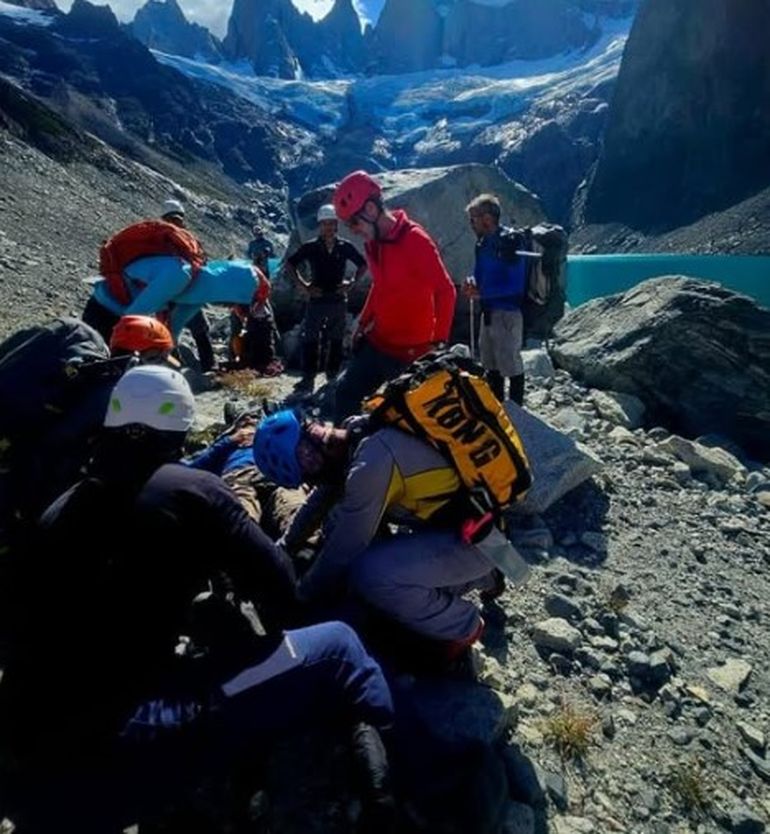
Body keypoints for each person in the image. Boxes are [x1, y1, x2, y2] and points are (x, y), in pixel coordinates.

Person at [0, 366, 395, 832]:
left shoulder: (61, 505)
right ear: (181, 426)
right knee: (340, 644)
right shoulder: (193, 492)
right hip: (114, 740)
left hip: (23, 739)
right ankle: (386, 798)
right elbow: (282, 585)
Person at [253, 409, 504, 666]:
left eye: (306, 474)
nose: (311, 480)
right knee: (338, 515)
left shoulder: (369, 466)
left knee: (368, 575)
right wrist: (283, 546)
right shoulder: (354, 429)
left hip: (481, 537)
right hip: (472, 524)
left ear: (308, 457)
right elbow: (323, 497)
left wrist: (301, 594)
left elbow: (344, 550)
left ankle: (463, 625)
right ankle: (485, 575)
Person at [331, 170, 457, 420]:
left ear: (370, 209)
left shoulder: (414, 239)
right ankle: (345, 451)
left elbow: (445, 291)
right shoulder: (373, 244)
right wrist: (363, 322)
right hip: (379, 342)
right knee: (345, 393)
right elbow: (380, 286)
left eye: (353, 223)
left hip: (412, 351)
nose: (353, 231)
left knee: (407, 418)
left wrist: (437, 344)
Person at [83, 254, 264, 345]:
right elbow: (132, 318)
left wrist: (165, 354)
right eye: (232, 302)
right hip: (105, 309)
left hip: (119, 315)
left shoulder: (199, 294)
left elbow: (171, 334)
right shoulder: (180, 274)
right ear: (229, 290)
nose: (227, 307)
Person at [286, 204, 367, 393]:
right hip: (317, 299)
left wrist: (351, 283)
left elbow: (362, 265)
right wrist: (303, 285)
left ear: (336, 225)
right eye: (325, 224)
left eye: (331, 224)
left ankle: (331, 376)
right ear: (320, 225)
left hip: (338, 299)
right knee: (311, 340)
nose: (328, 227)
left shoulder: (344, 246)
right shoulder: (311, 247)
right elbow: (291, 264)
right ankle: (308, 379)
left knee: (336, 340)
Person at [464, 194, 526, 405]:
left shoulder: (510, 242)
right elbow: (479, 275)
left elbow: (516, 285)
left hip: (507, 314)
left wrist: (482, 293)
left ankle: (518, 414)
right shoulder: (482, 245)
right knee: (491, 364)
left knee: (511, 365)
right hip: (489, 313)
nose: (471, 224)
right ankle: (498, 410)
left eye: (473, 219)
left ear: (487, 218)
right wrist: (472, 282)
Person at [160, 199, 215, 372]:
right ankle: (209, 366)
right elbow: (202, 262)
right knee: (200, 330)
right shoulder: (189, 239)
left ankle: (175, 368)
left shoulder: (157, 240)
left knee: (168, 333)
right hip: (187, 292)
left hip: (166, 293)